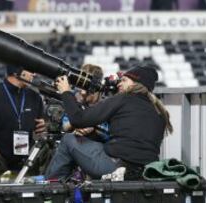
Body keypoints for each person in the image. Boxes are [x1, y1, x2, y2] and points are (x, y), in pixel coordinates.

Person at [45, 65, 173, 180]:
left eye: (124, 80)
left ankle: (52, 193)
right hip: (145, 171)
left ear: (135, 84)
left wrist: (66, 92)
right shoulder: (159, 111)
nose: (118, 84)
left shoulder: (124, 99)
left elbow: (78, 119)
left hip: (116, 167)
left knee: (68, 140)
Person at [0, 65, 46, 183]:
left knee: (50, 153)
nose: (34, 74)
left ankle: (40, 197)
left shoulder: (35, 97)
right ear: (17, 72)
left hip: (26, 154)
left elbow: (42, 124)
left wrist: (45, 125)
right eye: (30, 70)